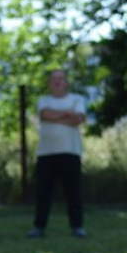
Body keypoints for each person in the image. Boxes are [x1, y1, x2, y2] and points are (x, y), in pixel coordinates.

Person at [28, 70, 88, 238]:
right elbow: (45, 114)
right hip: (46, 154)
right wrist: (67, 114)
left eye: (60, 79)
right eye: (53, 79)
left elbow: (77, 119)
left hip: (71, 152)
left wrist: (55, 116)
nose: (57, 82)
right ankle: (39, 227)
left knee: (73, 192)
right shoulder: (43, 100)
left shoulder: (77, 99)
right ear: (49, 83)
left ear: (66, 82)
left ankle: (77, 226)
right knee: (43, 192)